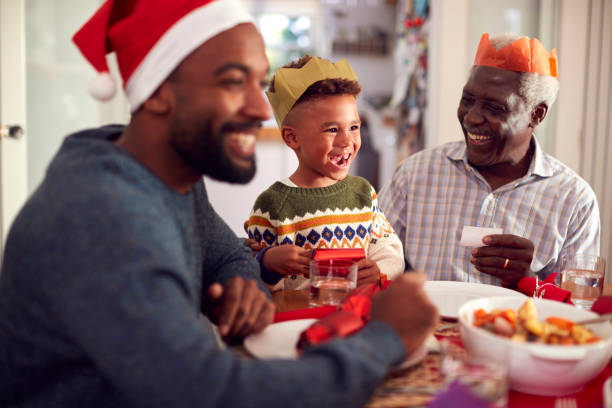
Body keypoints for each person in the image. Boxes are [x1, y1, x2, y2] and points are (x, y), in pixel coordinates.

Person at [0, 1, 438, 407]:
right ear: (157, 92)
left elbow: (227, 251)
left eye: (256, 80)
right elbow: (213, 395)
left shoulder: (166, 179)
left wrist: (240, 282)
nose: (257, 108)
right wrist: (382, 339)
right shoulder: (103, 217)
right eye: (232, 81)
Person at [379, 33, 600, 287]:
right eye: (468, 100)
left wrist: (527, 280)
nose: (472, 118)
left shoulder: (574, 201)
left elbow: (578, 305)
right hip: (423, 325)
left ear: (536, 114)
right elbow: (377, 260)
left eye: (494, 108)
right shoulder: (415, 174)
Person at [246, 55, 405, 291]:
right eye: (332, 129)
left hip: (355, 320)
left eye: (354, 127)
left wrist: (379, 271)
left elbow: (389, 251)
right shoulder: (271, 204)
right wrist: (268, 263)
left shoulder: (363, 193)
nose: (347, 140)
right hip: (297, 322)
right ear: (292, 137)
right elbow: (251, 282)